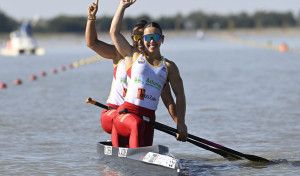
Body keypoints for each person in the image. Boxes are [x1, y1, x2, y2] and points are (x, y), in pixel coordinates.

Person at [86, 0, 178, 147]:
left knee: (140, 127)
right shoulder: (121, 54)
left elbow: (168, 100)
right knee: (136, 123)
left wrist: (179, 125)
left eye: (143, 37)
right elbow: (92, 43)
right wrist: (91, 18)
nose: (140, 42)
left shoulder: (157, 69)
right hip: (114, 113)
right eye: (135, 38)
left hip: (139, 117)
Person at [110, 0, 188, 148]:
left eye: (156, 37)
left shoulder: (170, 67)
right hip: (125, 115)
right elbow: (114, 33)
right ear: (143, 40)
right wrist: (121, 7)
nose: (152, 41)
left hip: (149, 118)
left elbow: (180, 96)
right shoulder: (133, 55)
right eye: (147, 38)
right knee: (137, 124)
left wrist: (181, 123)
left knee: (142, 135)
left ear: (162, 39)